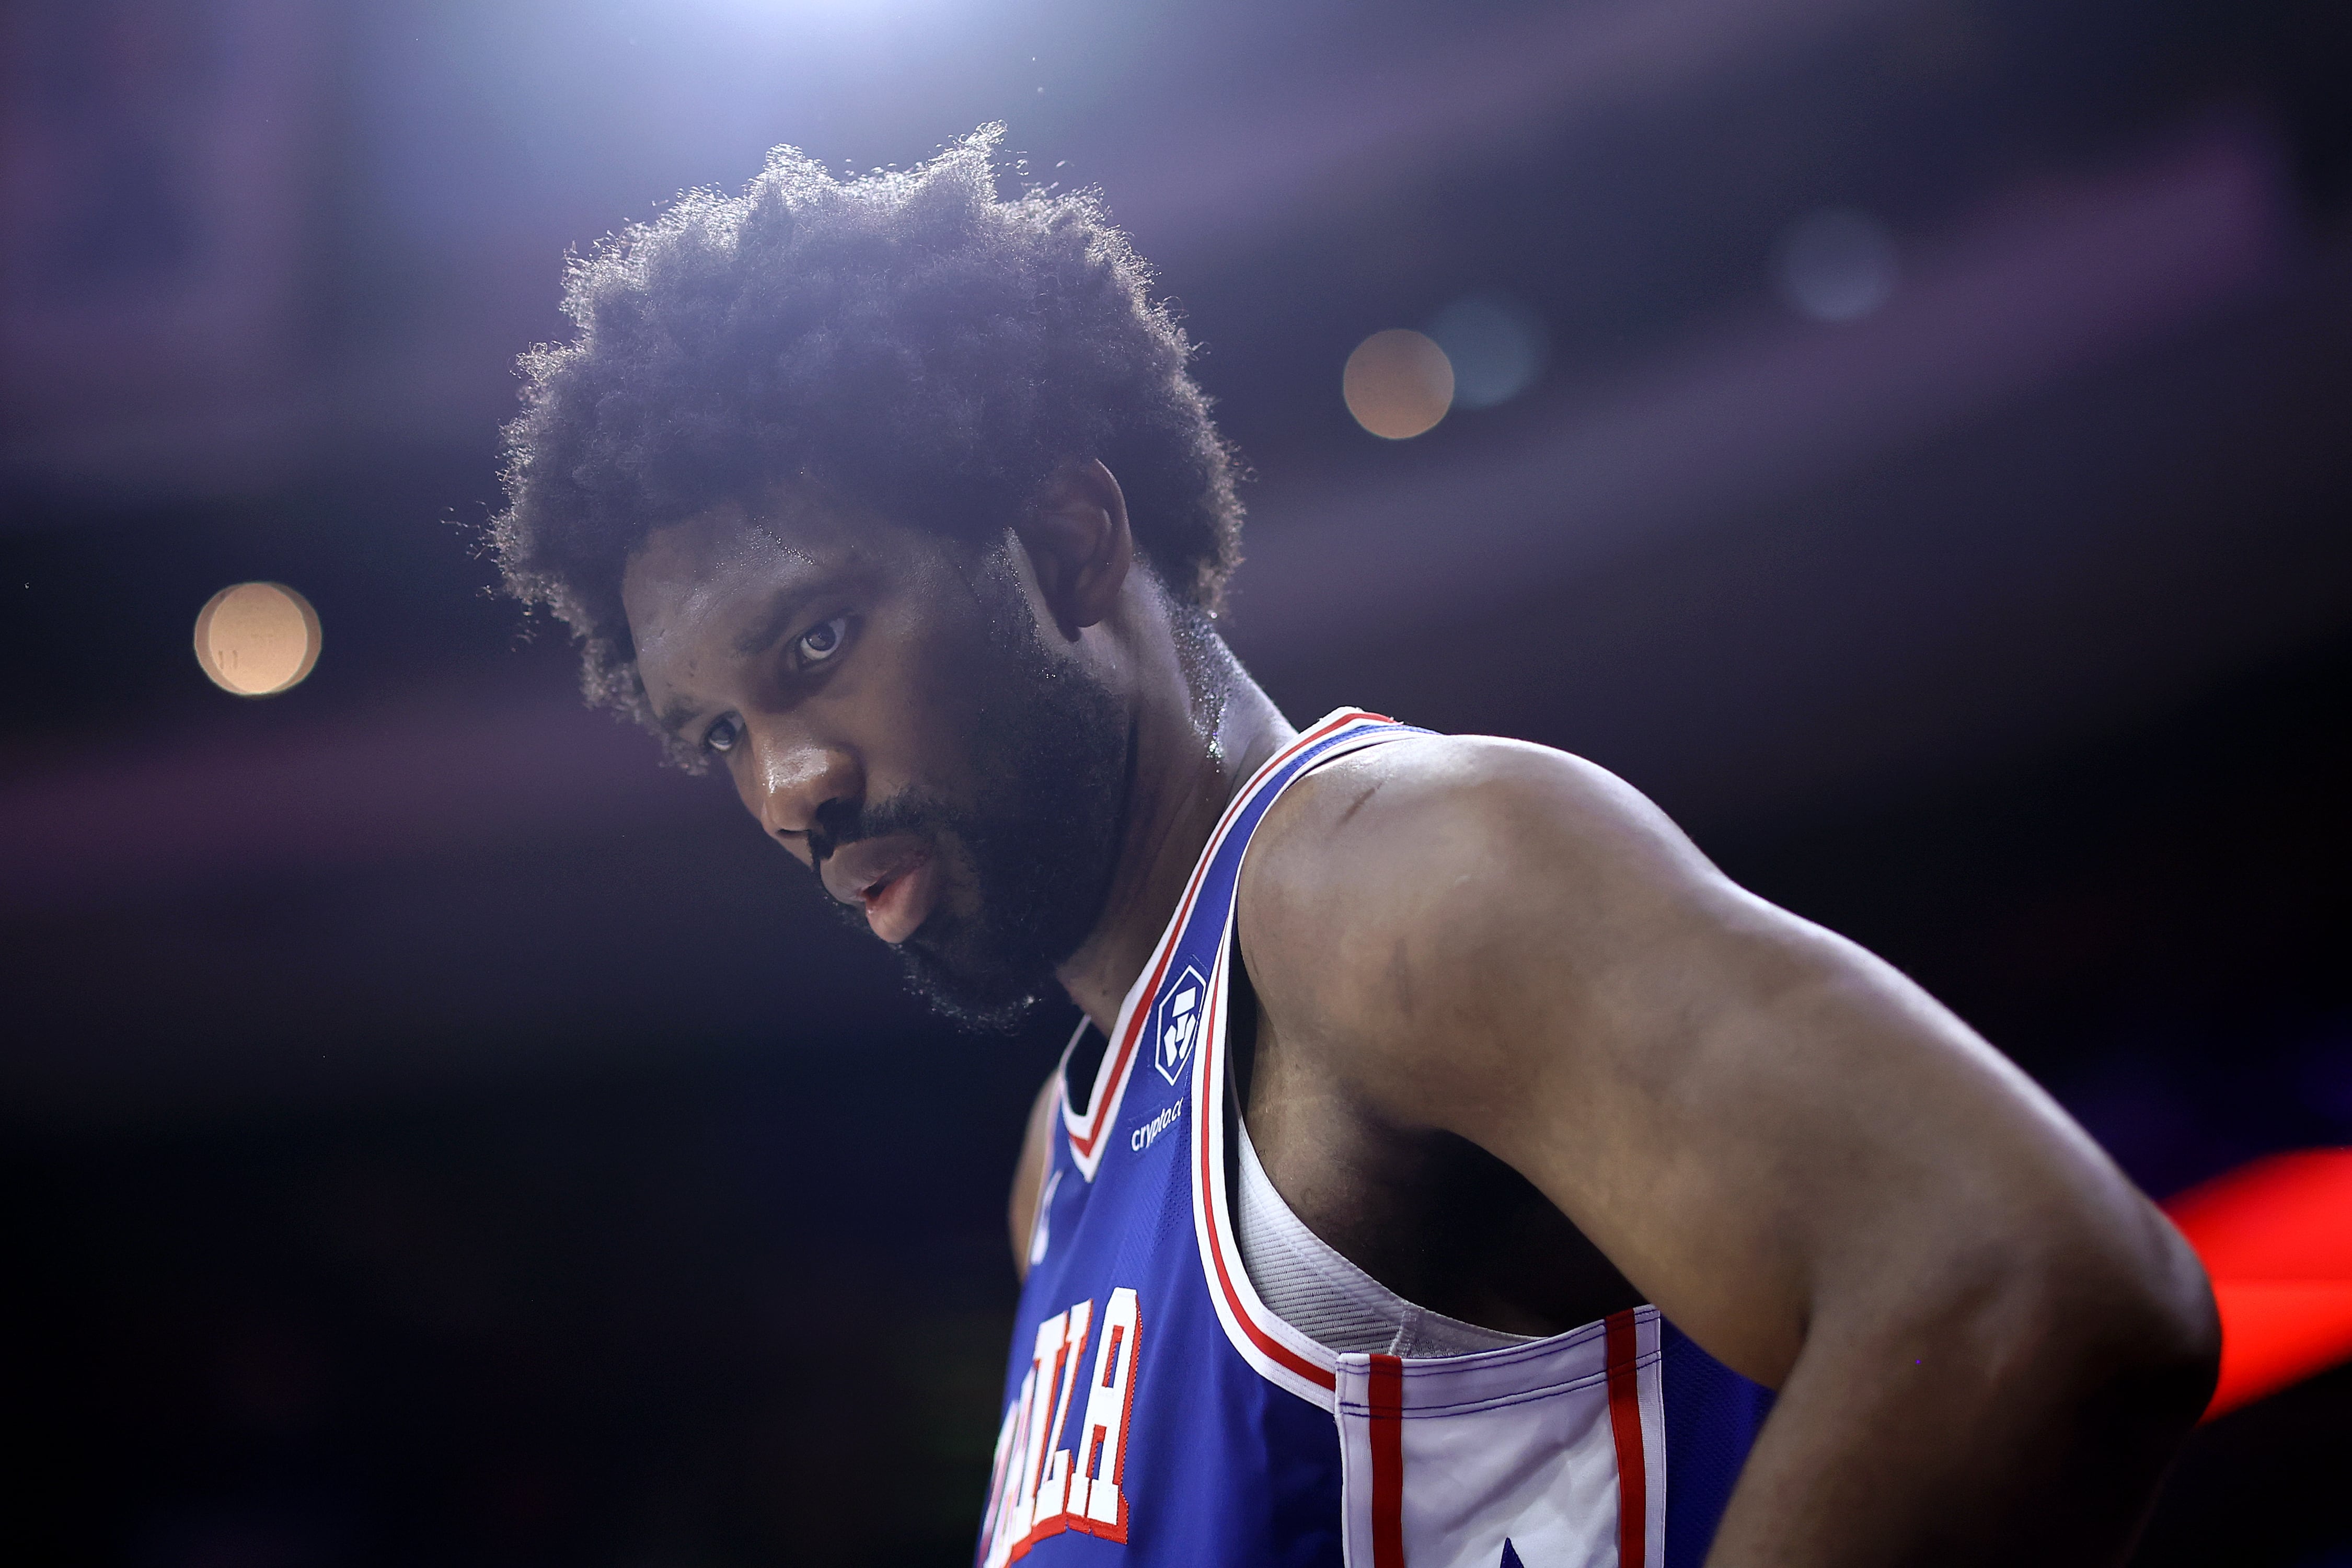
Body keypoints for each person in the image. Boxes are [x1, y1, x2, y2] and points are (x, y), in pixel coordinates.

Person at [492, 130, 2219, 1567]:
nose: (787, 785)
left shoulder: (1393, 875)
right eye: (714, 733)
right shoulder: (1067, 1156)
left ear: (1068, 540)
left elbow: (2024, 1283)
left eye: (812, 647)